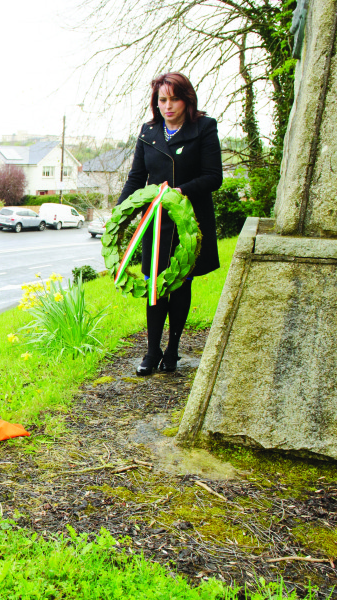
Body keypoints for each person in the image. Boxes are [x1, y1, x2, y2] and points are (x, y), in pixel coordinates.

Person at [117, 71, 222, 376]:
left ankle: (173, 350)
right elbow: (137, 178)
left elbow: (213, 177)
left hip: (190, 222)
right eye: (162, 100)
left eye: (174, 99)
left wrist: (178, 192)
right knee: (155, 284)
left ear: (186, 100)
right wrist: (120, 212)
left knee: (180, 283)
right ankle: (152, 351)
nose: (168, 106)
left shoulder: (204, 127)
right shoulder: (148, 132)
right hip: (156, 221)